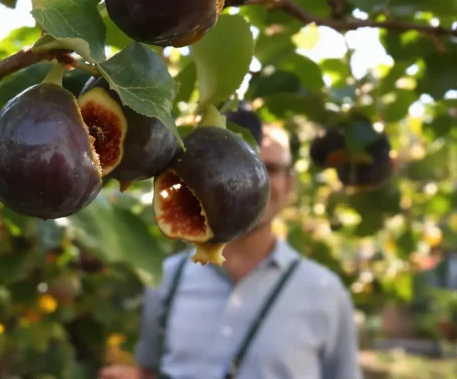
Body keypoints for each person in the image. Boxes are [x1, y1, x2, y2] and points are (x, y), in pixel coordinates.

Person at [98, 119, 363, 379]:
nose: (252, 179)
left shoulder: (327, 293)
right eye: (238, 164)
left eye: (269, 168)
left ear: (289, 184)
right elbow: (150, 370)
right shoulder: (166, 278)